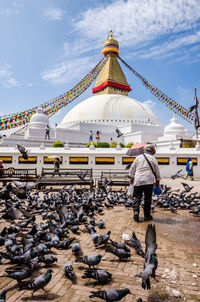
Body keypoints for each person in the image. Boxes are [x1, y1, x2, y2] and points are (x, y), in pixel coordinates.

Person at [129, 144, 161, 222]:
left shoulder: (138, 157)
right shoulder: (153, 158)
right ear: (152, 151)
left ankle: (136, 212)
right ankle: (147, 216)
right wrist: (157, 182)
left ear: (145, 150)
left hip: (138, 180)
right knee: (147, 198)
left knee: (137, 197)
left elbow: (132, 168)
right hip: (148, 181)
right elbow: (157, 172)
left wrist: (131, 177)